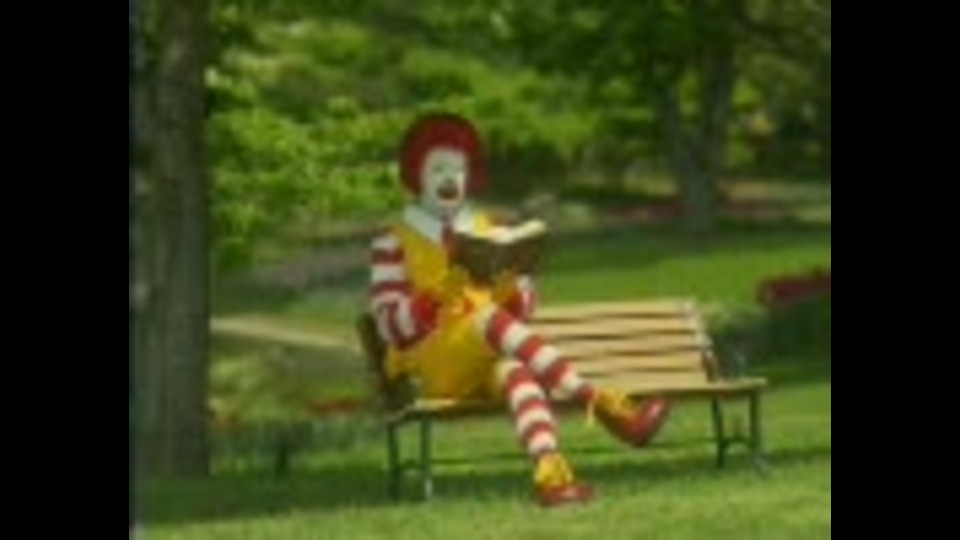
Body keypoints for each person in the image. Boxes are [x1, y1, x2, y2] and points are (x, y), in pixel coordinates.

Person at [367, 112, 671, 507]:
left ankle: (553, 479)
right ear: (416, 173)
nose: (449, 179)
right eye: (438, 168)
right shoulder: (393, 237)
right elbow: (389, 326)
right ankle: (603, 404)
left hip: (484, 350)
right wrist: (435, 298)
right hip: (433, 361)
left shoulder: (483, 225)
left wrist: (513, 290)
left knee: (516, 371)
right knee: (488, 319)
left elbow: (524, 308)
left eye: (458, 169)